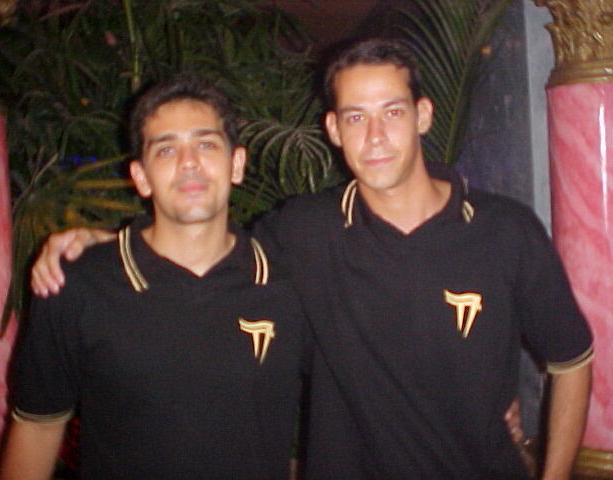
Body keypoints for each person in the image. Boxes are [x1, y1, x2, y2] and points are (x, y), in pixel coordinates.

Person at [30, 38, 591, 479]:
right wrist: (103, 241)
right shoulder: (303, 231)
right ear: (333, 129)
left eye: (392, 112)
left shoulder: (505, 230)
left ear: (423, 115)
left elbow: (571, 359)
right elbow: (200, 241)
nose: (375, 136)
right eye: (355, 117)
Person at [0, 76, 308, 480]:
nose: (188, 162)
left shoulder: (291, 286)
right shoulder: (75, 285)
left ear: (236, 165)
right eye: (166, 149)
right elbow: (38, 428)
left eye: (206, 144)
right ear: (141, 177)